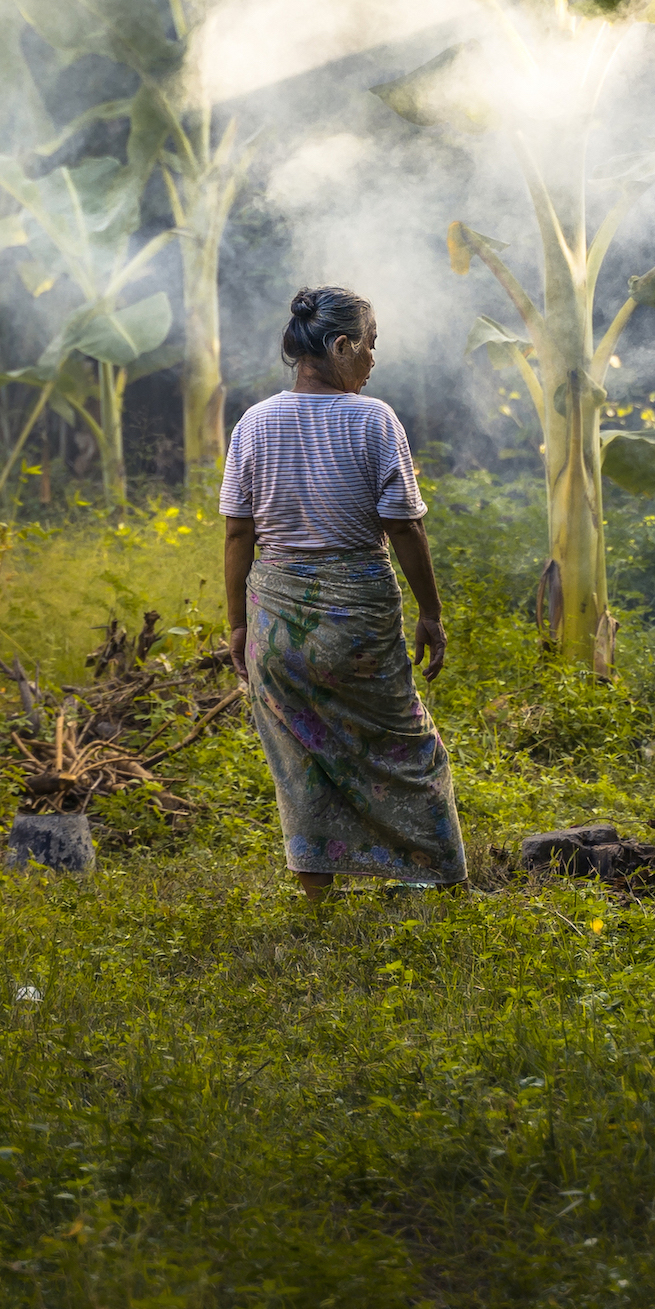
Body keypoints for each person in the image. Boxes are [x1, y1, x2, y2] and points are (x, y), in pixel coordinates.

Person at [219, 286, 466, 896]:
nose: (374, 360)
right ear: (340, 346)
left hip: (276, 619)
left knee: (299, 758)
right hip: (356, 622)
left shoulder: (254, 422)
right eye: (371, 345)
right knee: (409, 751)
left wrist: (237, 625)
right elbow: (403, 525)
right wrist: (431, 612)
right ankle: (435, 879)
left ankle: (317, 902)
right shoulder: (373, 419)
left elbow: (236, 531)